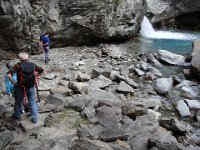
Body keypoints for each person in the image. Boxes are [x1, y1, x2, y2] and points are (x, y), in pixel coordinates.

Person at [7, 52, 44, 123]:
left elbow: (9, 75)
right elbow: (41, 70)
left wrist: (14, 82)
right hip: (30, 86)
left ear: (20, 59)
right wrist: (36, 76)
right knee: (32, 102)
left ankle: (17, 116)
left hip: (20, 87)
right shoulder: (33, 65)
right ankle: (35, 119)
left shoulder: (17, 66)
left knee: (18, 102)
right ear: (27, 58)